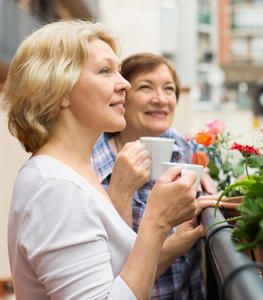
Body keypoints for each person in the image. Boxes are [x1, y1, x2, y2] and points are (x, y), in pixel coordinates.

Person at [3, 20, 199, 300]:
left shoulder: (76, 172)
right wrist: (157, 222)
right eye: (105, 71)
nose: (125, 84)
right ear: (60, 91)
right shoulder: (55, 188)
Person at [91, 53, 216, 299]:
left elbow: (217, 165)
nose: (160, 99)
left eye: (169, 89)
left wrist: (207, 169)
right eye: (146, 87)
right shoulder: (93, 165)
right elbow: (109, 283)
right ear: (122, 95)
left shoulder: (186, 149)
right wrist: (170, 248)